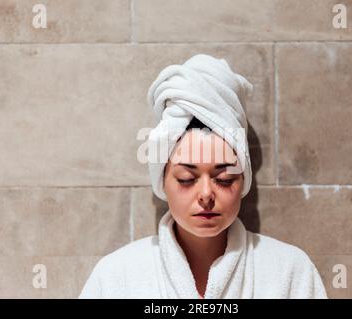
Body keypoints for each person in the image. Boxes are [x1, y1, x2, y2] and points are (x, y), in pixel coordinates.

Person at [79, 54, 327, 299]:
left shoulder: (290, 272)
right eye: (187, 178)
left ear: (243, 181)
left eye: (224, 179)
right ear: (162, 181)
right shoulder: (115, 279)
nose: (206, 194)